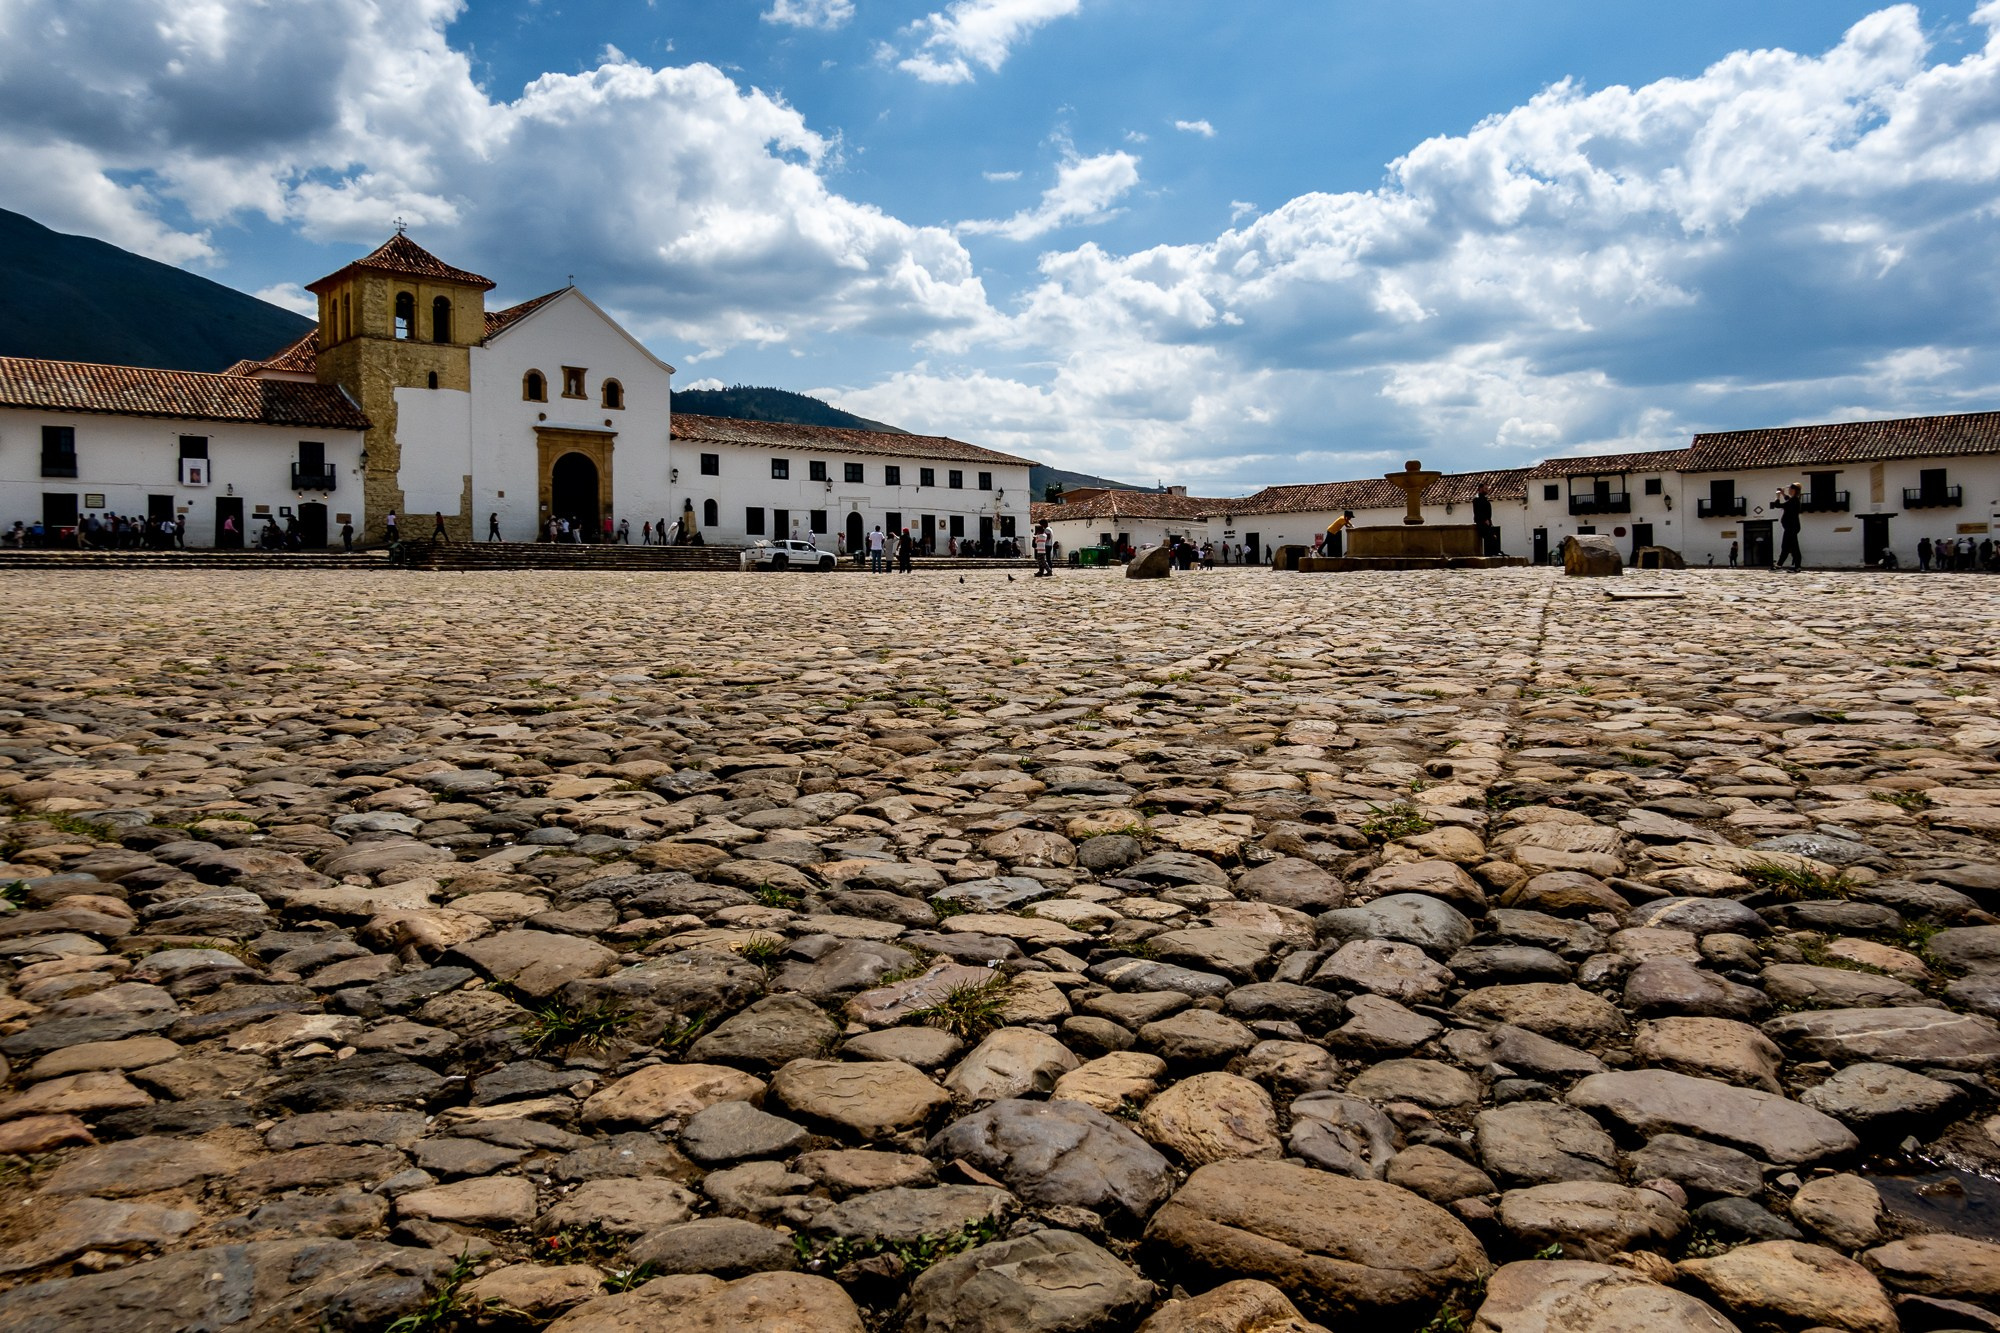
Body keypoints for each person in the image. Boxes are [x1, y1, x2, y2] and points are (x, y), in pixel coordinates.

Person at [1773, 484, 1803, 571]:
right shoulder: (1794, 500)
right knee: (1787, 546)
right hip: (1791, 527)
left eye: (1789, 489)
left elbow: (1778, 505)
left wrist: (1777, 496)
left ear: (1793, 490)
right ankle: (1779, 564)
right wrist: (1783, 494)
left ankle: (1797, 566)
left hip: (1791, 527)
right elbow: (1787, 500)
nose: (1788, 490)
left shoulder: (1794, 501)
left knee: (1793, 547)